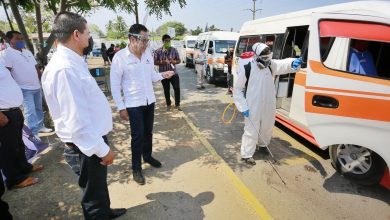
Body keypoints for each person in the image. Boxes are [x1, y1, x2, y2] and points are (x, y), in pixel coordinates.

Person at [41, 12, 126, 219]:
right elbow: (76, 123)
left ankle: (104, 211)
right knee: (92, 197)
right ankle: (99, 214)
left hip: (90, 142)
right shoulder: (65, 69)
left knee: (97, 187)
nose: (90, 38)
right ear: (76, 34)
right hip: (85, 147)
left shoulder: (73, 61)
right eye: (88, 33)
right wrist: (103, 150)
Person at [110, 24, 175, 185]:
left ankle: (147, 156)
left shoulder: (147, 55)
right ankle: (136, 168)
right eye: (143, 40)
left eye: (147, 40)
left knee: (148, 133)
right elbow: (115, 86)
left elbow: (152, 75)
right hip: (133, 104)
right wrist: (121, 107)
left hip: (149, 100)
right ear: (132, 39)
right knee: (137, 136)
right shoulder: (120, 58)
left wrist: (162, 75)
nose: (146, 44)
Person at [233, 42, 302, 165]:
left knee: (267, 125)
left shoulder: (270, 65)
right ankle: (247, 154)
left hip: (268, 102)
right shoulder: (247, 68)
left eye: (268, 58)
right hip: (252, 103)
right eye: (264, 58)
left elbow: (282, 64)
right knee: (252, 128)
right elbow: (237, 89)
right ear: (257, 56)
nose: (266, 61)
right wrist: (243, 106)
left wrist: (292, 63)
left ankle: (263, 145)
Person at [1, 31, 52, 140]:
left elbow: (36, 68)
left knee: (38, 108)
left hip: (36, 86)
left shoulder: (27, 52)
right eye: (17, 39)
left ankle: (40, 126)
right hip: (24, 88)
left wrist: (42, 79)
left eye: (21, 38)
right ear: (10, 41)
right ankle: (33, 133)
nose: (21, 41)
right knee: (30, 111)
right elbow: (8, 72)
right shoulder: (7, 54)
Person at [0, 63, 42, 189]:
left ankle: (24, 167)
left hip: (13, 110)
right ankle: (15, 180)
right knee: (8, 149)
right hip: (3, 113)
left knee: (18, 143)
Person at [154, 34, 182, 111]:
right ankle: (168, 104)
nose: (168, 42)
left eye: (169, 41)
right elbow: (155, 62)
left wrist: (174, 61)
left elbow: (179, 60)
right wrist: (163, 62)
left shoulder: (174, 50)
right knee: (166, 90)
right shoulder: (158, 51)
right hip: (164, 74)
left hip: (173, 73)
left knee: (177, 88)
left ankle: (177, 104)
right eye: (166, 41)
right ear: (163, 41)